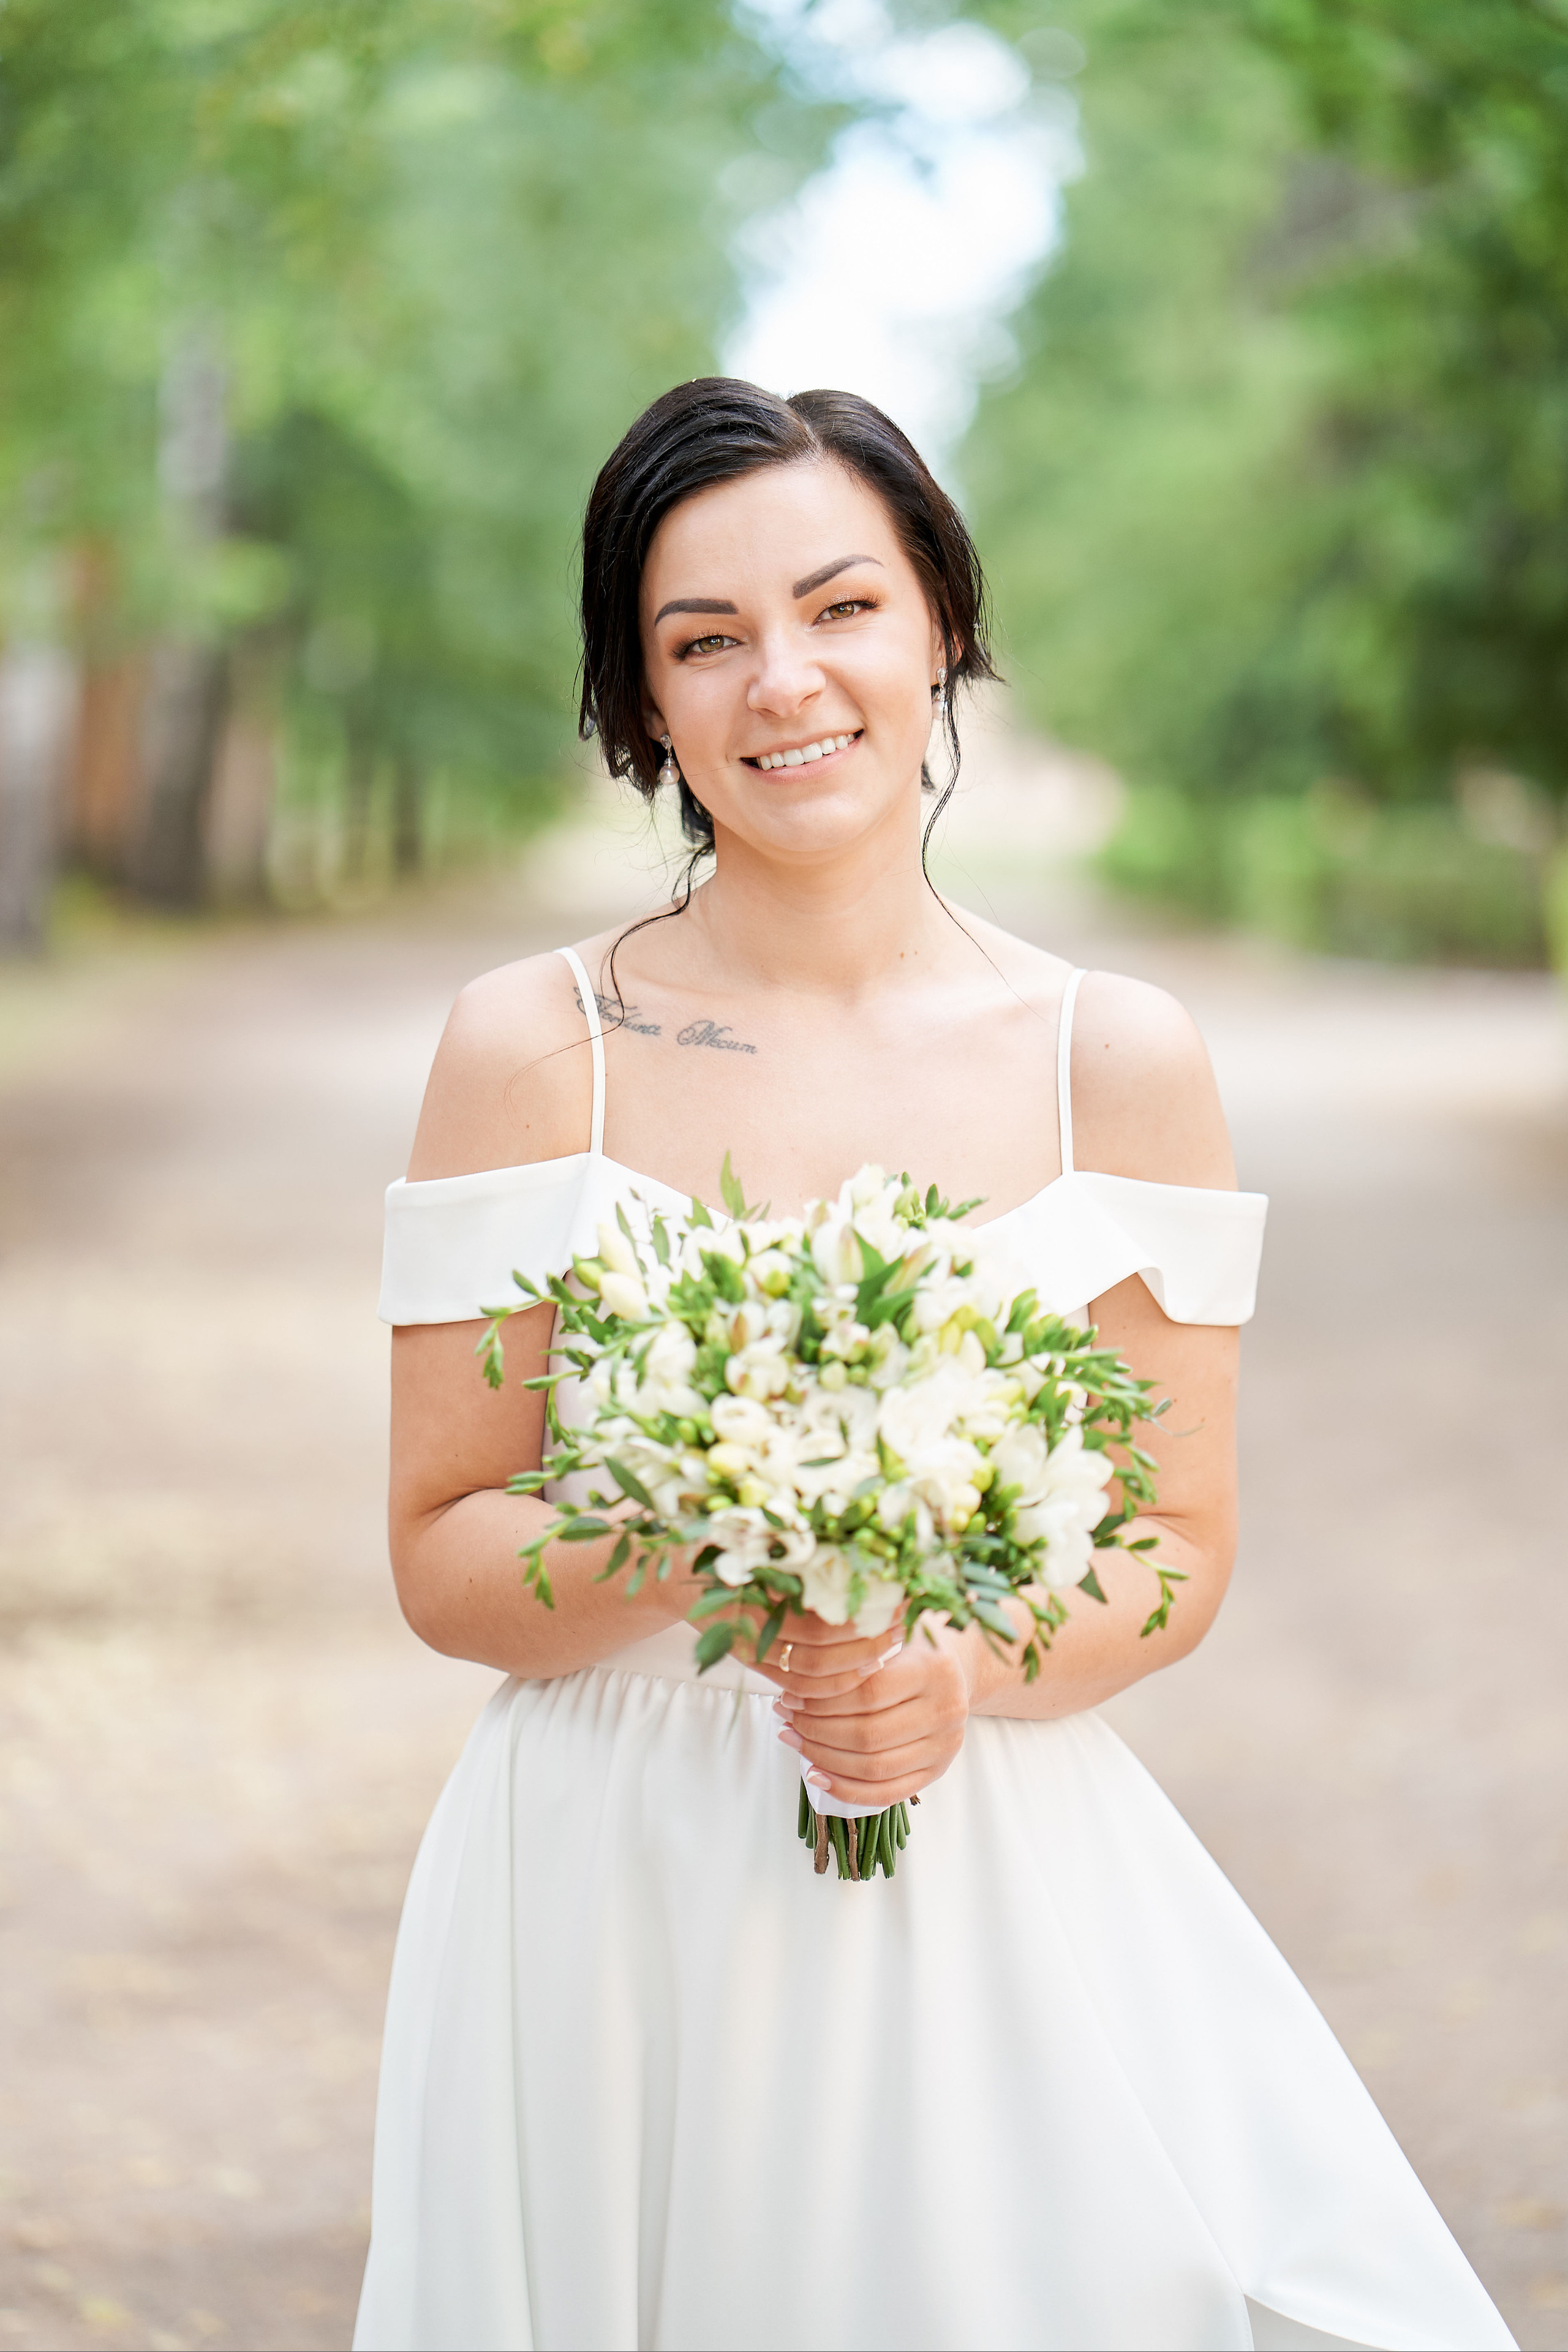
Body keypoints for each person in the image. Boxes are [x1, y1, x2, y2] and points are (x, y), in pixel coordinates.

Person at [355, 380, 1513, 2352]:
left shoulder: (1116, 1062)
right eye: (699, 642)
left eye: (842, 609)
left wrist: (956, 1668)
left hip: (977, 1866)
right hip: (599, 1894)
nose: (780, 683)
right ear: (640, 707)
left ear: (942, 629)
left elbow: (1173, 1548)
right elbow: (447, 1550)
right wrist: (729, 1511)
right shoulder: (525, 1044)